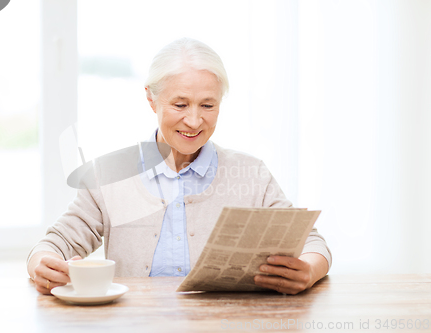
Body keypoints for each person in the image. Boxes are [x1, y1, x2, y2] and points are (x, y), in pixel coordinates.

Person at [27, 37, 332, 295]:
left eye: (208, 105)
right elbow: (55, 244)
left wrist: (309, 270)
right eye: (180, 104)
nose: (194, 120)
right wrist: (42, 264)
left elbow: (312, 242)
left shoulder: (250, 173)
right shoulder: (109, 174)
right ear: (151, 99)